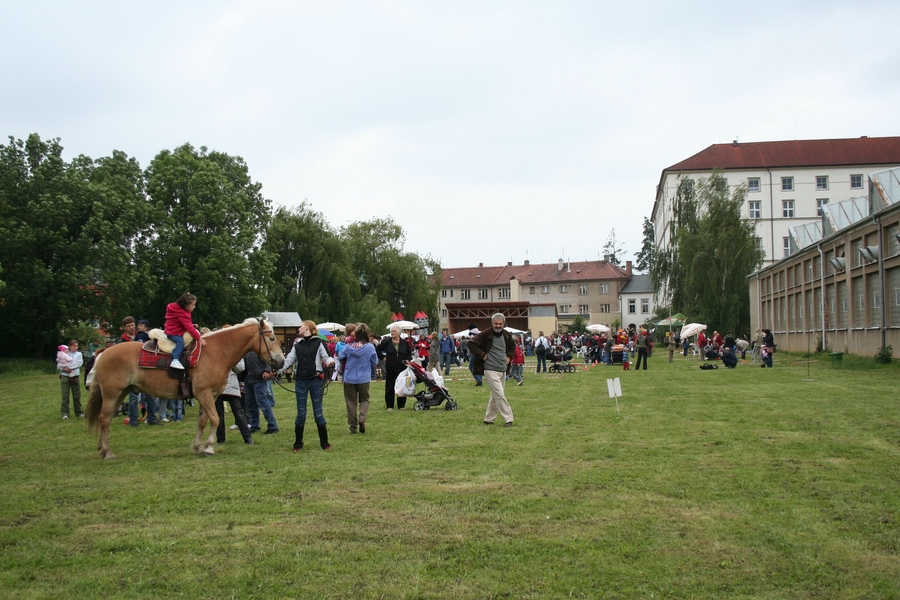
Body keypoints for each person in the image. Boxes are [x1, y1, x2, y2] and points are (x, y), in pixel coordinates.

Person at [278, 320, 334, 451]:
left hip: (315, 380)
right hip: (301, 381)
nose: (299, 328)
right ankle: (298, 444)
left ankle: (325, 443)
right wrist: (277, 371)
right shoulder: (297, 344)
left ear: (308, 328)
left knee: (318, 413)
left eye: (301, 326)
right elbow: (289, 361)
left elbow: (327, 357)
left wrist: (331, 363)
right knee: (301, 413)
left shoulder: (319, 342)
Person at [468, 313, 516, 427]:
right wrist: (482, 355)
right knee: (499, 394)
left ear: (503, 324)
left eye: (500, 324)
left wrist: (509, 357)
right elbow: (471, 343)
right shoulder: (485, 334)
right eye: (496, 323)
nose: (498, 326)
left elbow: (512, 347)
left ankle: (489, 419)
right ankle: (508, 418)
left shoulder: (507, 335)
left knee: (495, 395)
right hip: (490, 369)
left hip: (502, 369)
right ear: (492, 323)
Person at [339, 323, 378, 435]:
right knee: (365, 399)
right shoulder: (370, 347)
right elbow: (374, 362)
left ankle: (353, 427)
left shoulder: (348, 347)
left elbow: (340, 356)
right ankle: (362, 417)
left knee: (351, 402)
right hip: (364, 378)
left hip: (349, 378)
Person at [215, 351, 254, 445]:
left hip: (231, 385)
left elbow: (241, 368)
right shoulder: (216, 351)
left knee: (238, 412)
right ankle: (220, 439)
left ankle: (248, 438)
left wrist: (231, 360)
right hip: (217, 385)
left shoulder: (235, 351)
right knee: (219, 414)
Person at [164, 293, 206, 370]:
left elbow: (179, 323)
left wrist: (191, 325)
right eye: (193, 305)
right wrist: (198, 338)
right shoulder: (182, 314)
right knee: (181, 342)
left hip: (173, 328)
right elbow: (189, 328)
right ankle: (175, 359)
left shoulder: (178, 310)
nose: (194, 306)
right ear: (186, 305)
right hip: (173, 332)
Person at [377, 324, 415, 410]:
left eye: (394, 331)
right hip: (390, 368)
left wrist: (408, 359)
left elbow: (409, 353)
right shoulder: (386, 342)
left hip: (402, 368)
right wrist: (382, 357)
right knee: (390, 387)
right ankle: (389, 405)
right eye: (391, 331)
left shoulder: (404, 343)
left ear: (399, 333)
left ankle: (401, 405)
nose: (392, 333)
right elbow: (377, 349)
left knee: (402, 386)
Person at [245, 348, 279, 435]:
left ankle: (272, 425)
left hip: (260, 377)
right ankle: (254, 425)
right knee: (250, 403)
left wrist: (267, 371)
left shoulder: (261, 346)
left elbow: (270, 359)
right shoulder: (248, 347)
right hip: (249, 376)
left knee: (262, 401)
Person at [58, 339, 84, 419]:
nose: (76, 347)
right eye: (74, 346)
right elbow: (59, 363)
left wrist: (69, 368)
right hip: (65, 376)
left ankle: (79, 412)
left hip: (75, 376)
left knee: (76, 395)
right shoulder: (64, 353)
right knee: (65, 396)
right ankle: (65, 413)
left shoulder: (79, 354)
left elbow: (79, 363)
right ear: (70, 346)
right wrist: (64, 369)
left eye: (77, 346)